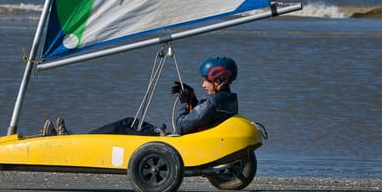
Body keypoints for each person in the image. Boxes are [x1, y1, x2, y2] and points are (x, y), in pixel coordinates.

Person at [41, 56, 239, 136]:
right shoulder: (228, 100)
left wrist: (183, 103)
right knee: (130, 121)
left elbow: (181, 126)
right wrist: (193, 99)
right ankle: (76, 138)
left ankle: (75, 141)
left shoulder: (212, 103)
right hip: (184, 139)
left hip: (175, 142)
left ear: (219, 80)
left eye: (206, 80)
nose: (203, 84)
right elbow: (199, 121)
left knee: (125, 125)